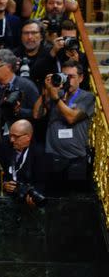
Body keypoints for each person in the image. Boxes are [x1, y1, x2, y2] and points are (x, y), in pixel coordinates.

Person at [33, 61, 95, 194]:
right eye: (64, 76)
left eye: (71, 76)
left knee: (76, 203)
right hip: (53, 158)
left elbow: (71, 118)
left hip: (76, 160)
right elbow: (37, 115)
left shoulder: (87, 97)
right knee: (54, 200)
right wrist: (46, 92)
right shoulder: (57, 94)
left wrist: (56, 99)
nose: (67, 80)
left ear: (81, 78)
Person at [0, 49, 39, 157]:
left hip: (22, 148)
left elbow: (38, 115)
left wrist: (19, 111)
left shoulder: (27, 86)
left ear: (9, 66)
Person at [31, 19, 89, 90]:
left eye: (72, 38)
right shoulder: (48, 52)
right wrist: (52, 53)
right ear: (58, 37)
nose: (69, 41)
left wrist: (77, 64)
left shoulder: (81, 57)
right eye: (66, 38)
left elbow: (85, 85)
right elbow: (35, 74)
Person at [0, 119, 47, 204]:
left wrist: (34, 196)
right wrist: (4, 184)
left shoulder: (39, 153)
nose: (12, 140)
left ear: (28, 137)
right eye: (10, 136)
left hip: (29, 199)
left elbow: (42, 182)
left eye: (15, 136)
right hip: (8, 197)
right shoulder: (5, 147)